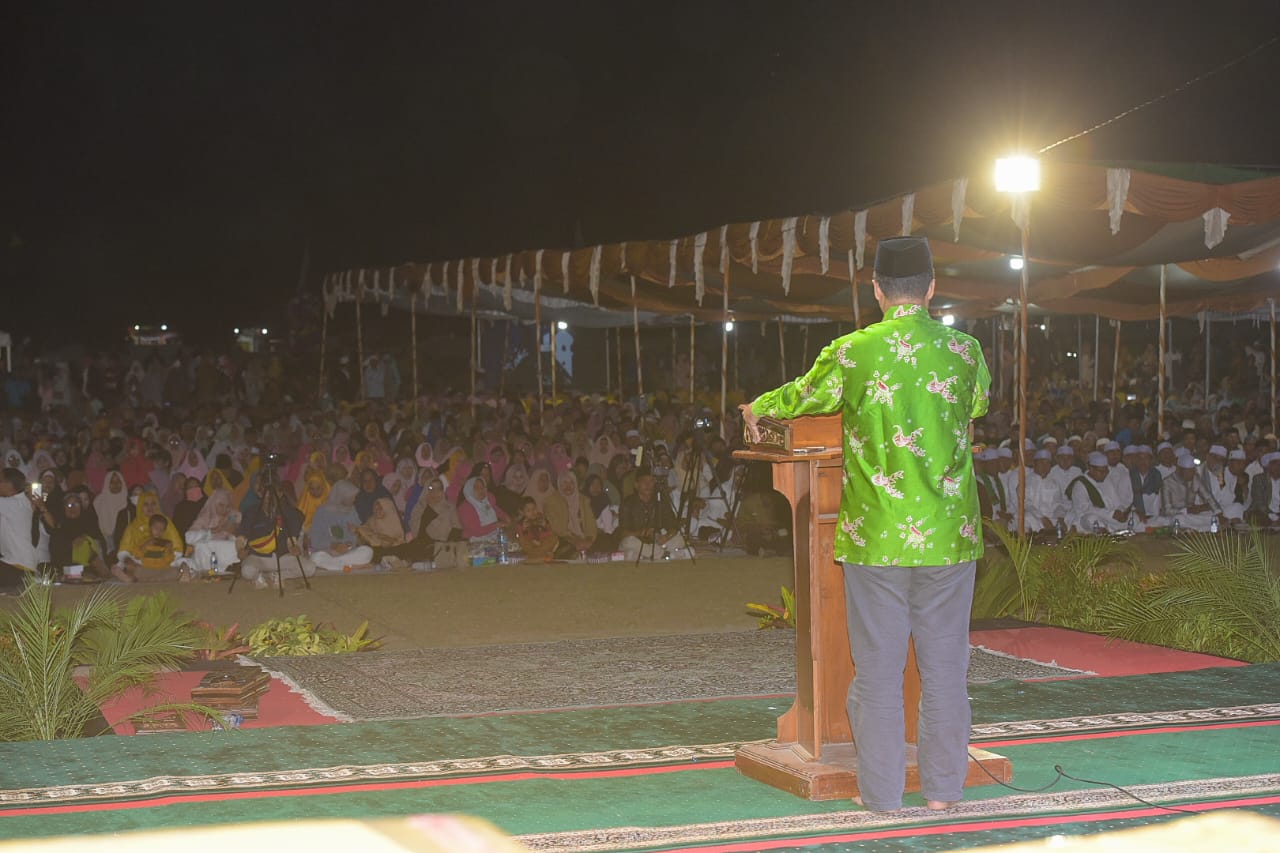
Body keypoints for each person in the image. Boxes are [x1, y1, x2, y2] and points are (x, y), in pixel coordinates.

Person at [741, 235, 990, 813]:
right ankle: (944, 795)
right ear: (931, 287)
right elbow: (976, 406)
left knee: (877, 674)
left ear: (876, 290)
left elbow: (800, 397)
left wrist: (759, 408)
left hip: (876, 537)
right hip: (950, 535)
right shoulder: (965, 351)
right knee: (946, 671)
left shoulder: (852, 352)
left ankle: (881, 799)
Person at [618, 470, 688, 561]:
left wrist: (666, 537)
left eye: (651, 481)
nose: (648, 485)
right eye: (644, 481)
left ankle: (648, 556)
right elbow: (623, 532)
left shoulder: (660, 500)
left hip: (657, 542)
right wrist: (642, 532)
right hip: (637, 541)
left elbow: (673, 525)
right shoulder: (628, 502)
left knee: (680, 539)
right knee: (627, 542)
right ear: (636, 485)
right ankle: (666, 555)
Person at [305, 480, 374, 572]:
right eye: (351, 497)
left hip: (347, 553)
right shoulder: (322, 511)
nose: (354, 500)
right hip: (328, 552)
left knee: (367, 551)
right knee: (316, 557)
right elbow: (315, 540)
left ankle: (337, 566)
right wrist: (334, 546)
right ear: (342, 496)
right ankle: (350, 567)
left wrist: (356, 533)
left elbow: (357, 541)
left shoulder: (352, 511)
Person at [116, 491, 185, 582]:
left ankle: (145, 579)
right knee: (127, 566)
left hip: (164, 564)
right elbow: (125, 550)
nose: (150, 507)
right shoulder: (134, 525)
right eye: (146, 504)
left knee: (181, 566)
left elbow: (178, 549)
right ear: (140, 506)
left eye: (153, 504)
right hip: (141, 563)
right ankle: (144, 578)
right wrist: (142, 548)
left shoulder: (165, 521)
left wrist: (169, 551)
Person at [544, 470, 598, 557]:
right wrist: (575, 540)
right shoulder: (551, 501)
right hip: (564, 538)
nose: (568, 486)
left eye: (571, 483)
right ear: (559, 484)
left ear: (576, 484)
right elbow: (557, 527)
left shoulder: (584, 500)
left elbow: (591, 523)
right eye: (565, 483)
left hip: (584, 538)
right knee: (568, 551)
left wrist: (589, 539)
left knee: (603, 544)